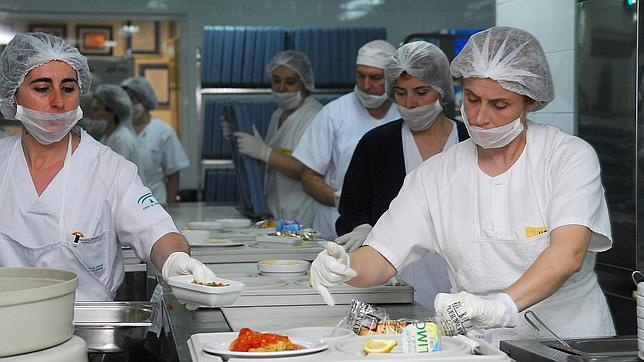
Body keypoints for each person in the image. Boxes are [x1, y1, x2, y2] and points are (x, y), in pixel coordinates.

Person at [310, 26, 615, 344]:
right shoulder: (435, 176)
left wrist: (501, 307)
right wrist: (345, 267)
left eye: (499, 105)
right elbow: (382, 258)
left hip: (574, 344)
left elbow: (568, 252)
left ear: (531, 102)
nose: (481, 117)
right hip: (483, 347)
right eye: (471, 99)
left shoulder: (566, 157)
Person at [0, 32, 214, 301]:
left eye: (68, 88)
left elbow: (156, 231)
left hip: (89, 329)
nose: (57, 101)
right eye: (42, 89)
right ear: (12, 95)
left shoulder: (110, 170)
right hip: (7, 325)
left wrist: (174, 259)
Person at [335, 41, 469, 310]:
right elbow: (351, 207)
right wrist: (362, 227)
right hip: (393, 282)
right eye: (400, 93)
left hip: (463, 281)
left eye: (421, 92)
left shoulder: (470, 141)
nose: (410, 103)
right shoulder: (377, 144)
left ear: (441, 89)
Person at [293, 40, 400, 240]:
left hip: (394, 228)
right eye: (361, 76)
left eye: (375, 77)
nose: (366, 85)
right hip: (336, 227)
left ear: (392, 78)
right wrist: (339, 199)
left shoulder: (404, 113)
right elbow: (308, 176)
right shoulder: (334, 113)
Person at [229, 51, 322, 226]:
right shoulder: (278, 114)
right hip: (276, 212)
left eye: (290, 82)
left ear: (305, 83)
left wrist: (263, 151)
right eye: (276, 80)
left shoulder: (313, 116)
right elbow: (273, 164)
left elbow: (304, 170)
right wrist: (237, 135)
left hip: (301, 216)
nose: (281, 87)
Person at [121, 77, 190, 204]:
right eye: (126, 99)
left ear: (145, 100)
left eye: (133, 99)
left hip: (156, 201)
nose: (130, 104)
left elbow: (173, 175)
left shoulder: (163, 132)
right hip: (125, 204)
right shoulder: (121, 131)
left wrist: (171, 208)